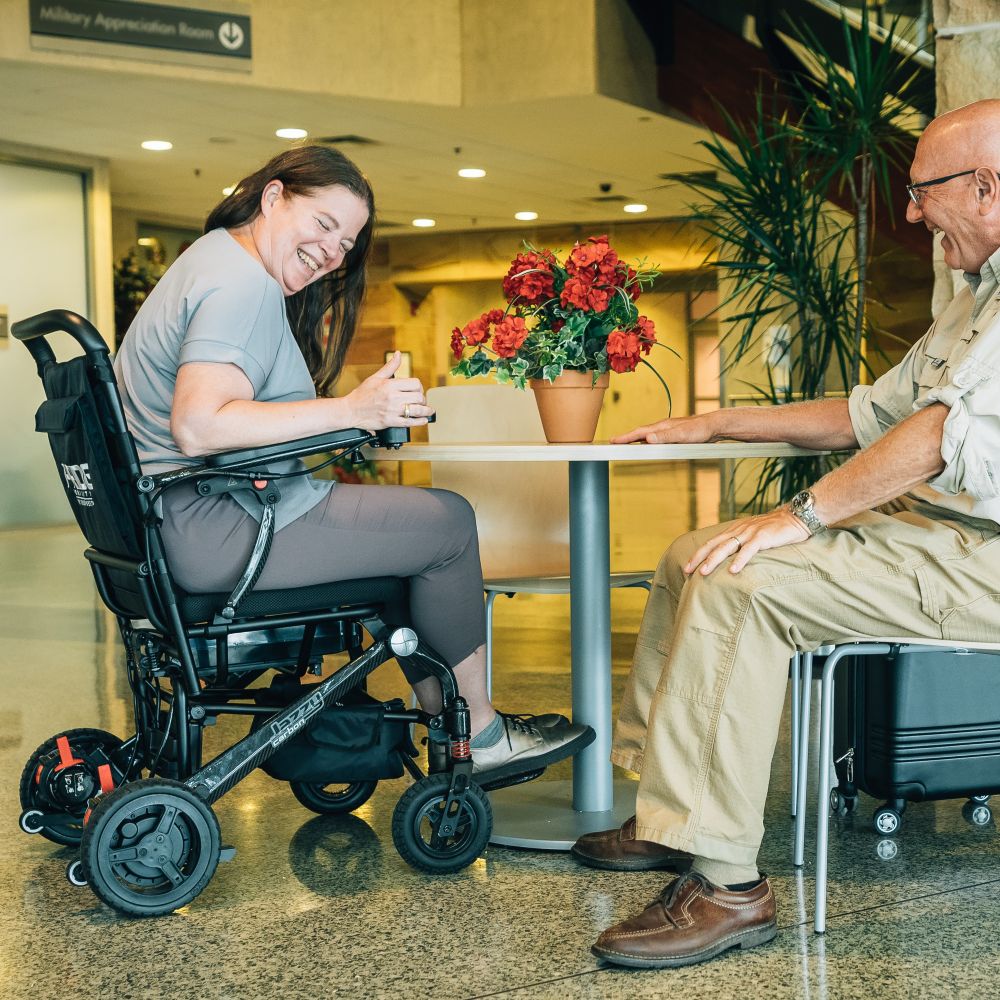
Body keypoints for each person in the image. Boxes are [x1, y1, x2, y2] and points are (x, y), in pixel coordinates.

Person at [572, 98, 1000, 969]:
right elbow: (866, 413)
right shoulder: (973, 298)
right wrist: (717, 422)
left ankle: (728, 887)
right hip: (938, 538)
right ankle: (672, 817)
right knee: (694, 553)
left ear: (988, 188)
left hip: (983, 560)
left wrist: (796, 517)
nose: (911, 212)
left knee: (744, 580)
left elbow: (930, 439)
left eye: (922, 193)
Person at [114, 145, 591, 780]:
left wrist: (356, 414)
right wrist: (352, 411)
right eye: (324, 223)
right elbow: (200, 425)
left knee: (402, 543)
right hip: (217, 525)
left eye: (348, 241)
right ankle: (479, 734)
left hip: (177, 522)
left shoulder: (209, 261)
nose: (334, 252)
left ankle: (457, 732)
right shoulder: (241, 284)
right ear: (274, 196)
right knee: (445, 522)